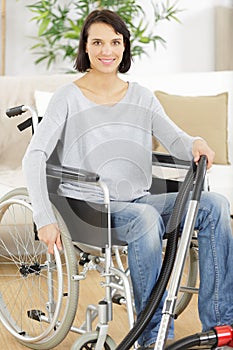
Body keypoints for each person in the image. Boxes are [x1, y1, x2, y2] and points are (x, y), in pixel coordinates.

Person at [22, 9, 233, 349]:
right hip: (87, 208)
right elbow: (33, 157)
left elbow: (176, 140)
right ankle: (152, 338)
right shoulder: (68, 97)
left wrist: (194, 142)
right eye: (98, 42)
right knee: (145, 217)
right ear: (86, 48)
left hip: (138, 201)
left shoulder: (141, 96)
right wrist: (44, 217)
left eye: (115, 42)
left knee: (215, 205)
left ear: (124, 47)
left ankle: (222, 327)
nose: (108, 50)